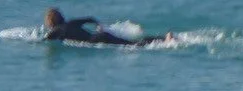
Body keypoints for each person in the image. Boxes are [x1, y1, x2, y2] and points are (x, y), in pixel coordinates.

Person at [38, 7, 169, 45]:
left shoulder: (55, 31)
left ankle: (164, 40)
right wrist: (99, 26)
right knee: (132, 43)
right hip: (100, 35)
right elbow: (90, 18)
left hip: (99, 40)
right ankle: (163, 38)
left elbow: (43, 41)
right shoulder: (71, 22)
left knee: (133, 45)